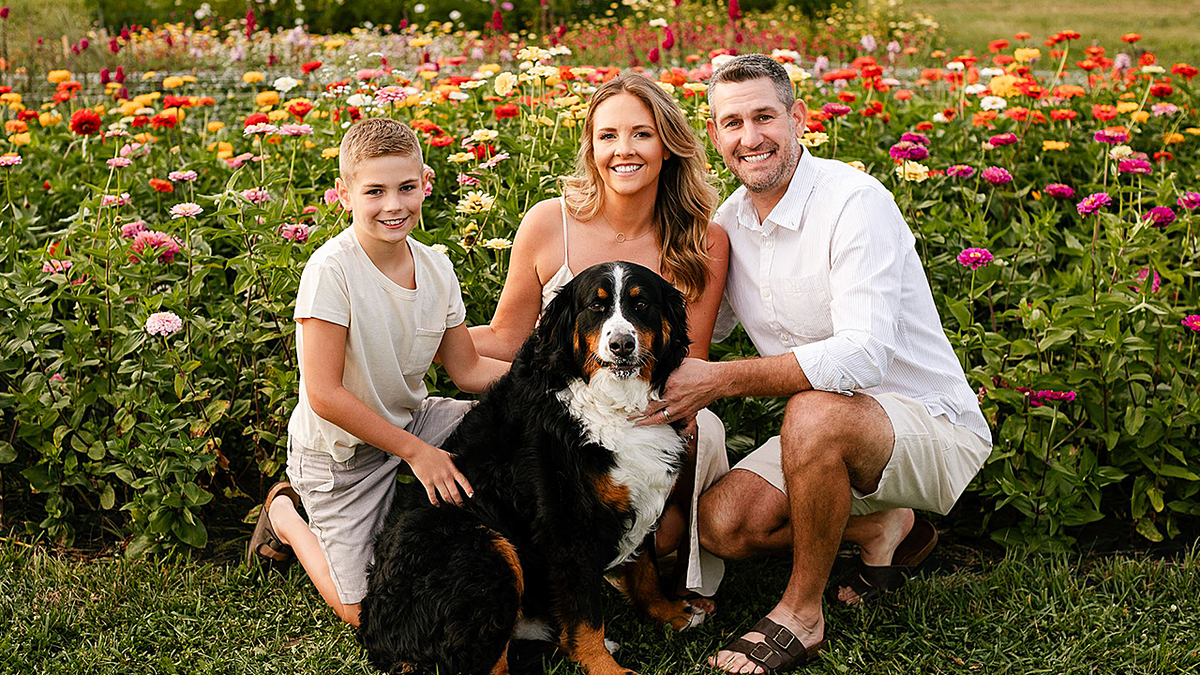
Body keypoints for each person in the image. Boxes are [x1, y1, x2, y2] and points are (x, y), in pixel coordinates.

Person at [636, 55, 992, 673]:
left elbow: (862, 355)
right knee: (723, 526)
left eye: (764, 117)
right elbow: (698, 332)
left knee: (813, 411)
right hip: (822, 432)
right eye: (732, 123)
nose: (750, 138)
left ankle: (801, 614)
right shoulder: (726, 225)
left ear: (798, 117)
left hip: (929, 426)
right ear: (715, 134)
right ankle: (881, 530)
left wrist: (717, 380)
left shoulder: (855, 202)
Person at [469, 72, 731, 607]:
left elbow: (691, 362)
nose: (623, 150)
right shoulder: (548, 222)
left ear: (668, 144)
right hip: (564, 410)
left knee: (672, 519)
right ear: (590, 147)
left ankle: (652, 569)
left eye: (641, 133)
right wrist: (421, 334)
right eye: (607, 135)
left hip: (654, 410)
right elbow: (505, 338)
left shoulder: (704, 239)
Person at [247, 118, 510, 627]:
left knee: (510, 425)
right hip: (341, 457)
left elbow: (468, 368)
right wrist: (418, 454)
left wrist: (557, 385)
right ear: (343, 194)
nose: (394, 205)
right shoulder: (332, 272)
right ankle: (285, 516)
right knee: (364, 612)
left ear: (426, 182)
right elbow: (324, 395)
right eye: (375, 191)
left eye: (406, 188)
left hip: (413, 422)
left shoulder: (436, 267)